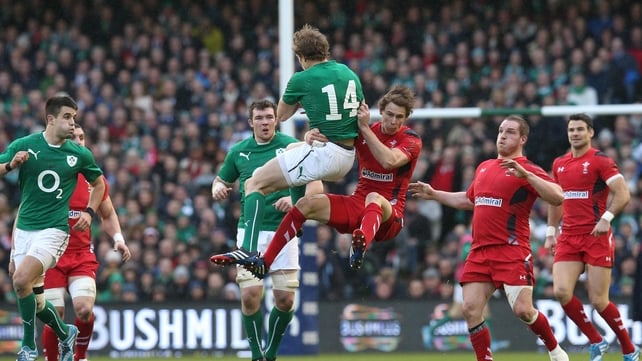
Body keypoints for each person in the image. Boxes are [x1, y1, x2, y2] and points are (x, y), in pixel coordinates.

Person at [213, 85, 422, 278]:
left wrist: (365, 128)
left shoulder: (411, 139)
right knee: (305, 204)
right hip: (359, 205)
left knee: (374, 197)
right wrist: (310, 137)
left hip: (389, 216)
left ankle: (360, 247)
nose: (393, 121)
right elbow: (329, 144)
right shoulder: (361, 130)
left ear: (406, 118)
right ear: (381, 111)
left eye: (399, 117)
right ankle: (264, 262)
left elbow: (389, 161)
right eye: (390, 115)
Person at [408, 115, 569, 361]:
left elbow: (557, 196)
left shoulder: (527, 168)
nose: (503, 135)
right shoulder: (484, 166)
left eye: (511, 132)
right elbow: (469, 200)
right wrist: (434, 194)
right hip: (480, 251)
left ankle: (555, 350)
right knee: (470, 309)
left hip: (511, 250)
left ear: (522, 139)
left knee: (523, 310)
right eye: (501, 131)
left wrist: (526, 176)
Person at [226, 24, 363, 262]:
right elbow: (357, 113)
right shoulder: (348, 73)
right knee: (292, 148)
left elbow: (282, 114)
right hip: (348, 155)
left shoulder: (302, 78)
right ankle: (296, 218)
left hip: (327, 154)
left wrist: (303, 102)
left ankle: (247, 248)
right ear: (325, 51)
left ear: (300, 57)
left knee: (254, 182)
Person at [210, 100, 323, 361]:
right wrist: (217, 187)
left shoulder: (290, 146)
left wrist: (294, 202)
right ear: (251, 122)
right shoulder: (238, 152)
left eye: (269, 117)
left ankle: (270, 353)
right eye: (259, 118)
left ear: (276, 120)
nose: (265, 122)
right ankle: (255, 354)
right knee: (251, 296)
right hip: (251, 232)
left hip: (284, 232)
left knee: (285, 301)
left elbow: (317, 188)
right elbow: (220, 180)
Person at [2, 95, 105, 361]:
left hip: (55, 231)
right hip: (25, 229)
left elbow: (101, 184)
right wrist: (11, 165)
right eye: (67, 117)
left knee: (21, 279)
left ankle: (28, 346)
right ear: (51, 119)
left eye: (75, 118)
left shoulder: (79, 154)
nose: (73, 124)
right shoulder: (25, 145)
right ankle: (64, 333)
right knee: (33, 298)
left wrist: (90, 212)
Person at [545, 113, 639, 361]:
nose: (575, 133)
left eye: (580, 129)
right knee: (562, 292)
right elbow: (556, 201)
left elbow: (623, 194)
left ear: (591, 133)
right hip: (569, 236)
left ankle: (629, 349)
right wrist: (551, 231)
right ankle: (596, 340)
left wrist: (606, 218)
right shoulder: (559, 164)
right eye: (571, 130)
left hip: (596, 236)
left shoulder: (600, 161)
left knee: (598, 300)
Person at [42, 124, 132, 361]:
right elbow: (26, 211)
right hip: (51, 254)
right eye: (73, 137)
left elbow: (108, 213)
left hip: (81, 254)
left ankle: (79, 356)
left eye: (82, 137)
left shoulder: (94, 177)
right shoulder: (48, 173)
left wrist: (119, 239)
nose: (80, 141)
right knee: (55, 313)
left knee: (83, 310)